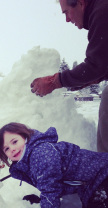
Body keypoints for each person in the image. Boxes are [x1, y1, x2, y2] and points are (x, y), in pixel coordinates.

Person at [0, 122, 108, 208]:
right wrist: (43, 200)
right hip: (89, 185)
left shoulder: (41, 154)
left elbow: (50, 188)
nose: (12, 149)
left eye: (14, 142)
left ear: (25, 136)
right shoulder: (27, 159)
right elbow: (49, 182)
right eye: (6, 149)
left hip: (102, 173)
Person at [30, 0, 108, 152]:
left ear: (80, 3)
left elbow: (95, 65)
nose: (67, 19)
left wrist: (54, 82)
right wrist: (91, 79)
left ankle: (104, 166)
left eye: (66, 12)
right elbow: (103, 64)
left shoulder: (102, 12)